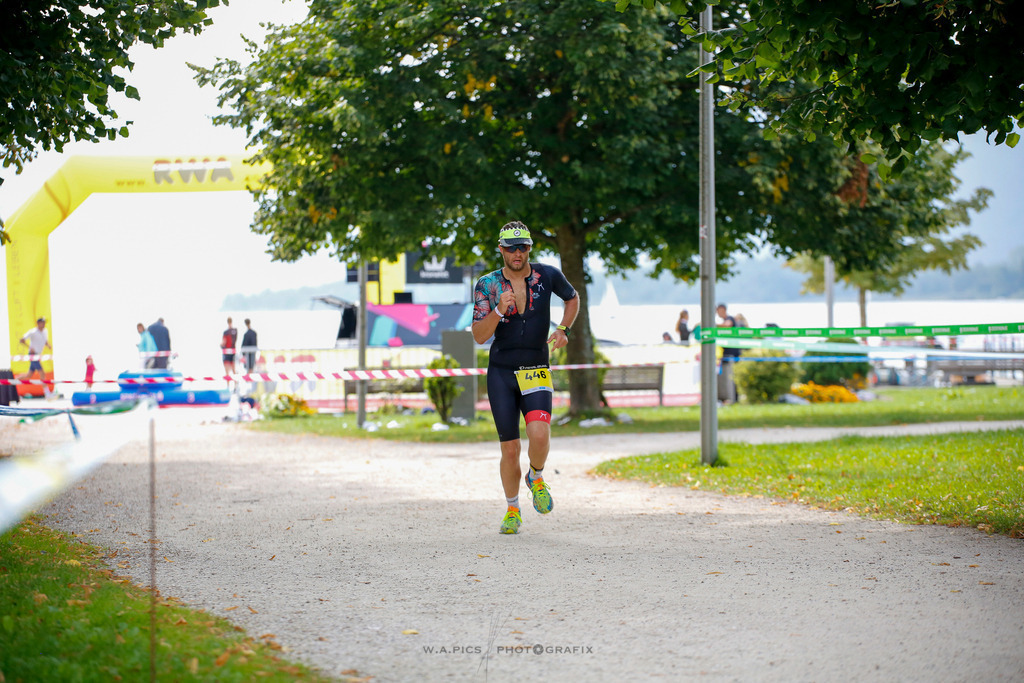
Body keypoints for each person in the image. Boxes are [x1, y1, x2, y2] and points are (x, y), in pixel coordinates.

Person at [472, 221, 580, 535]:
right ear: (501, 249)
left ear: (530, 248)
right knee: (509, 450)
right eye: (511, 248)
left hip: (535, 368)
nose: (517, 253)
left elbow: (571, 298)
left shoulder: (547, 275)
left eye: (523, 247)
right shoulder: (487, 284)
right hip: (502, 372)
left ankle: (536, 475)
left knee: (540, 434)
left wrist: (563, 328)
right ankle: (512, 509)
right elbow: (479, 336)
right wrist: (496, 311)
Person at [19, 317, 53, 395]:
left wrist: (48, 345)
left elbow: (45, 340)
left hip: (38, 355)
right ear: (38, 323)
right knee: (42, 373)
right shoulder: (33, 332)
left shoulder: (45, 331)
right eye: (42, 322)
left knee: (28, 375)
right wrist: (30, 347)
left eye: (44, 322)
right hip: (33, 355)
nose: (44, 324)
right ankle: (47, 393)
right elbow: (22, 340)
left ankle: (13, 379)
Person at [716, 302, 741, 404]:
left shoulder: (730, 319)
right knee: (726, 378)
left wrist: (712, 324)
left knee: (731, 378)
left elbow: (727, 325)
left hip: (732, 354)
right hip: (725, 354)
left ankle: (732, 398)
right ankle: (727, 398)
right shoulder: (724, 321)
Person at [221, 317, 238, 387]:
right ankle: (235, 386)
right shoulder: (235, 331)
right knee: (234, 370)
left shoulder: (226, 332)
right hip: (233, 351)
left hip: (226, 352)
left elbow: (223, 342)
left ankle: (228, 386)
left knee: (227, 371)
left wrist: (221, 345)